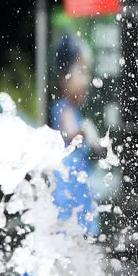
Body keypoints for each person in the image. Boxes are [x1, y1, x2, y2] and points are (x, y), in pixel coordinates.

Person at [51, 35, 102, 237]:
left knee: (80, 238)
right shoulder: (64, 109)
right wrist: (85, 131)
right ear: (64, 77)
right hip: (68, 189)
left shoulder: (75, 112)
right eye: (81, 72)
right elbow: (69, 134)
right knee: (70, 234)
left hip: (78, 187)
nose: (86, 80)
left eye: (87, 72)